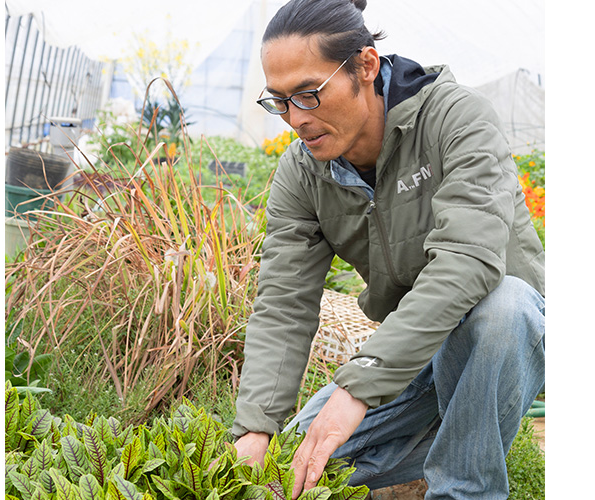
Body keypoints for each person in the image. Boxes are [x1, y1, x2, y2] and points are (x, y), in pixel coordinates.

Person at [231, 0, 545, 498]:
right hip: (411, 350)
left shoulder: (455, 120)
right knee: (301, 464)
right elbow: (284, 304)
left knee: (504, 306)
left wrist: (359, 388)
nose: (295, 119)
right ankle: (451, 443)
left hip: (500, 338)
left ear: (366, 65)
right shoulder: (303, 171)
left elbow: (468, 262)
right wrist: (255, 427)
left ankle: (464, 486)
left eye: (309, 94)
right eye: (279, 100)